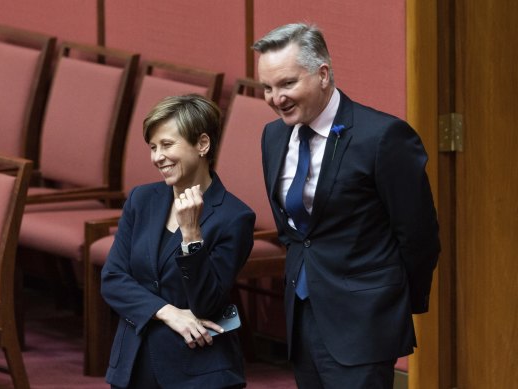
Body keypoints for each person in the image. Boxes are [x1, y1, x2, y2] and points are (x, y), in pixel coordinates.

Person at [253, 23, 440, 388]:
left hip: (364, 322)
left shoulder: (383, 137)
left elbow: (418, 236)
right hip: (303, 315)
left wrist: (394, 304)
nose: (276, 98)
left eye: (287, 84)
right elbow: (292, 233)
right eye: (267, 88)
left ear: (323, 74)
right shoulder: (273, 135)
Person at [101, 94, 255, 389]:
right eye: (153, 147)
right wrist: (168, 313)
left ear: (202, 144)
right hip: (133, 364)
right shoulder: (141, 199)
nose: (157, 157)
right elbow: (112, 279)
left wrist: (192, 236)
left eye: (167, 145)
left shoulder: (235, 217)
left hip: (198, 369)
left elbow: (207, 303)